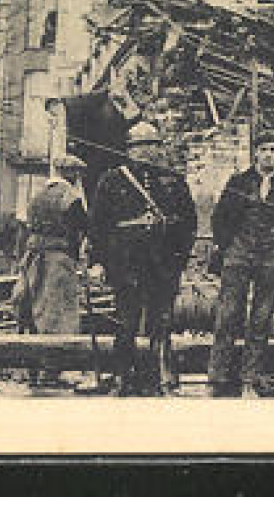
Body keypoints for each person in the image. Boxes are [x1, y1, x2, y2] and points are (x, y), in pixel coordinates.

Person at [89, 121, 197, 396]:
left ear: (159, 149)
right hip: (126, 263)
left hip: (163, 263)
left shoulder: (173, 182)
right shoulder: (112, 181)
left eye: (151, 146)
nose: (145, 152)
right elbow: (98, 225)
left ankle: (157, 378)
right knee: (126, 321)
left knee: (161, 323)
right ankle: (123, 377)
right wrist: (98, 262)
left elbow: (188, 226)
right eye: (139, 146)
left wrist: (179, 262)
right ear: (129, 150)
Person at [207, 135, 274, 397]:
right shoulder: (239, 182)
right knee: (228, 314)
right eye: (263, 150)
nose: (268, 155)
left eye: (273, 150)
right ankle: (218, 377)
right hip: (239, 254)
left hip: (273, 255)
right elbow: (220, 217)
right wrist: (228, 247)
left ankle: (250, 377)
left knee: (261, 317)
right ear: (255, 154)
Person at [14, 154, 91, 389]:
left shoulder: (36, 196)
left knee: (32, 313)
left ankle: (33, 371)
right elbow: (84, 228)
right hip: (58, 261)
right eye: (77, 175)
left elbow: (23, 230)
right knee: (57, 316)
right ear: (72, 174)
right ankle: (51, 373)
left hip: (32, 259)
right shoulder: (71, 199)